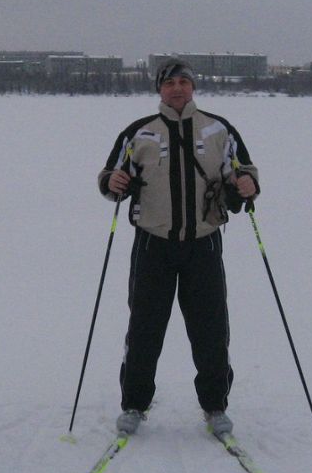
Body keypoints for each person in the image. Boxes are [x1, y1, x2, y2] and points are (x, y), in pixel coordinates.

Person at [97, 59, 259, 437]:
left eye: (184, 82)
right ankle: (134, 404)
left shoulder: (219, 129)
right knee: (144, 328)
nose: (177, 89)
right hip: (152, 245)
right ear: (160, 89)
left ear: (193, 87)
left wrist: (247, 184)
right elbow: (110, 177)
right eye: (170, 83)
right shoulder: (138, 132)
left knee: (211, 329)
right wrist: (112, 182)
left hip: (204, 244)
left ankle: (215, 405)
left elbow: (243, 171)